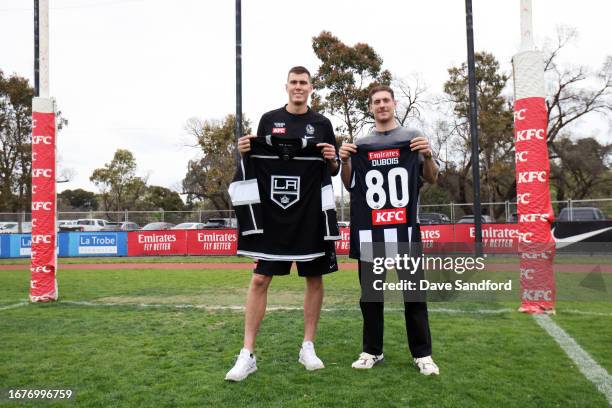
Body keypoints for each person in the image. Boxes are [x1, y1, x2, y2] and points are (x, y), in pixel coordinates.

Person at [225, 66, 340, 382]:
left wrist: (332, 159)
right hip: (274, 218)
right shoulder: (268, 120)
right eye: (294, 82)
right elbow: (253, 163)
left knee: (314, 278)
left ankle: (308, 346)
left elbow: (332, 169)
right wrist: (243, 153)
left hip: (309, 216)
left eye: (303, 82)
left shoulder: (322, 124)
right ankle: (247, 354)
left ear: (311, 87)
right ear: (286, 86)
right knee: (259, 279)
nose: (298, 87)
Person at [338, 85, 440, 376]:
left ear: (394, 104)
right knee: (371, 297)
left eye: (386, 100)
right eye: (376, 102)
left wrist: (429, 156)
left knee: (414, 296)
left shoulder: (412, 138)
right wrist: (345, 160)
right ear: (371, 108)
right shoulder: (362, 143)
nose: (381, 105)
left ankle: (422, 354)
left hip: (405, 230)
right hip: (373, 233)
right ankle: (372, 350)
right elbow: (349, 184)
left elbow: (431, 178)